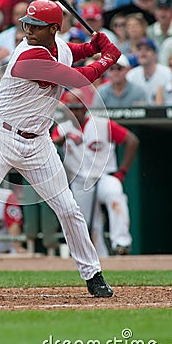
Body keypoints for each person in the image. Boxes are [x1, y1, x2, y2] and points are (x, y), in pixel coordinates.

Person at [0, 0, 122, 299]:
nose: (28, 30)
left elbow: (72, 53)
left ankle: (92, 274)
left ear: (54, 28)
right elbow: (80, 77)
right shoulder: (27, 57)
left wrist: (94, 46)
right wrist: (108, 57)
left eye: (37, 26)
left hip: (37, 141)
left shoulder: (59, 48)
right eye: (27, 24)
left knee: (67, 207)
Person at [52, 89, 138, 256]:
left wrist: (122, 172)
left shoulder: (102, 124)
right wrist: (60, 141)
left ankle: (121, 243)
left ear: (85, 108)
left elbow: (132, 140)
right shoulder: (63, 128)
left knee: (115, 193)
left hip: (104, 176)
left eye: (78, 108)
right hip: (80, 181)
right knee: (86, 223)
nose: (75, 112)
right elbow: (51, 144)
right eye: (71, 108)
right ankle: (99, 257)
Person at [126, 37, 172, 105]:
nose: (142, 52)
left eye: (147, 49)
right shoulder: (131, 75)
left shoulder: (167, 73)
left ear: (155, 54)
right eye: (139, 49)